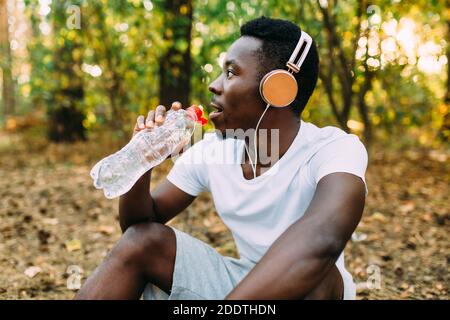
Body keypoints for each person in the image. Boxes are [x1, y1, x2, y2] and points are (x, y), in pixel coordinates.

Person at [76, 16, 368, 300]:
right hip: (241, 284)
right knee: (143, 242)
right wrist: (143, 159)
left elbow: (322, 241)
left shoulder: (334, 150)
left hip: (308, 288)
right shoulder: (212, 150)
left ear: (277, 90)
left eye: (231, 72)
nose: (214, 85)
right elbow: (138, 224)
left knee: (320, 278)